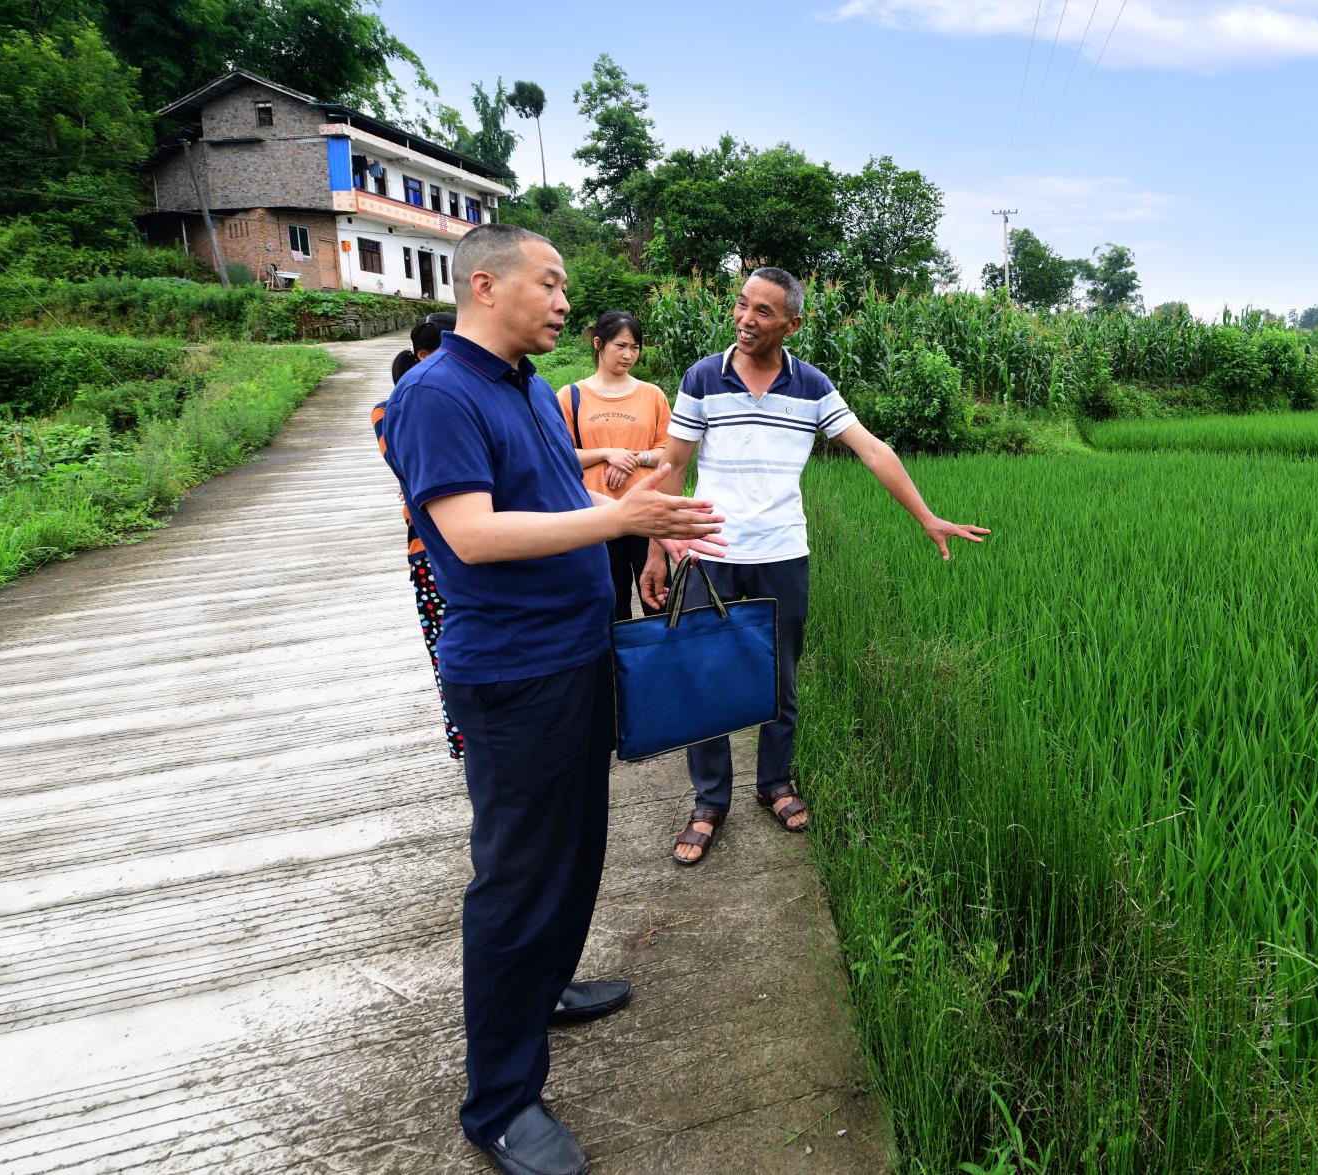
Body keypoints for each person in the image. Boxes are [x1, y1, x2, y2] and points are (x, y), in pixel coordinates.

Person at [377, 222, 727, 1175]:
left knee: (578, 848)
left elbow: (530, 480)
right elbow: (473, 534)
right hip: (514, 676)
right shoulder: (434, 394)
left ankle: (548, 985)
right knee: (518, 878)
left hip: (574, 656)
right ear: (485, 286)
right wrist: (618, 516)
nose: (566, 303)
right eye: (552, 283)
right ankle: (497, 1101)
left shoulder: (522, 385)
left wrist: (597, 472)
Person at [643, 267, 988, 867]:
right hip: (707, 551)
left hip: (781, 552)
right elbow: (673, 466)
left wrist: (926, 517)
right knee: (701, 680)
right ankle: (708, 801)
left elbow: (873, 449)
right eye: (742, 305)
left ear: (792, 324)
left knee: (779, 678)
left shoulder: (812, 387)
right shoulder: (702, 376)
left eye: (764, 312)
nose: (746, 319)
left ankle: (774, 784)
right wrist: (654, 544)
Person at [375, 311, 463, 758]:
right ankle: (465, 741)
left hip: (470, 550)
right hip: (429, 550)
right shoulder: (393, 410)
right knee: (447, 649)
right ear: (427, 356)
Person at [557, 310, 670, 617]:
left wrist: (633, 459)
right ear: (598, 344)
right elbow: (558, 457)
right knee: (609, 607)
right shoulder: (571, 396)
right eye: (621, 346)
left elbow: (669, 452)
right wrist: (607, 453)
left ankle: (658, 665)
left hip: (646, 512)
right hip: (595, 517)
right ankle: (613, 666)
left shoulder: (653, 395)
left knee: (658, 601)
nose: (628, 354)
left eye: (635, 347)